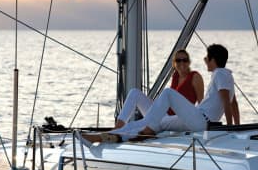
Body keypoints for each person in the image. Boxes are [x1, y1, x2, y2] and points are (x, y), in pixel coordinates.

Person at [82, 44, 239, 144]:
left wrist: (231, 129)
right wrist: (236, 127)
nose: (205, 60)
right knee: (160, 122)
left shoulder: (219, 74)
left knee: (168, 94)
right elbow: (234, 103)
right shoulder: (226, 76)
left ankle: (143, 131)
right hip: (197, 119)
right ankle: (117, 133)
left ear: (213, 60)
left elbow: (227, 102)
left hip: (201, 120)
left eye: (207, 57)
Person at [115, 49, 204, 129]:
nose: (182, 63)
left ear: (189, 62)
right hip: (163, 114)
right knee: (134, 93)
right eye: (178, 60)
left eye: (185, 60)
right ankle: (119, 126)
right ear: (174, 63)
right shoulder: (176, 76)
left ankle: (123, 130)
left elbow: (202, 103)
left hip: (176, 119)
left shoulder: (195, 77)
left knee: (148, 122)